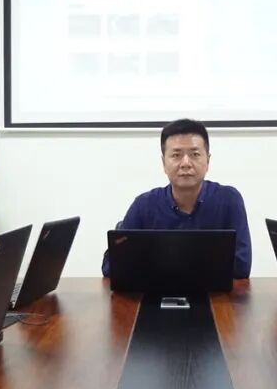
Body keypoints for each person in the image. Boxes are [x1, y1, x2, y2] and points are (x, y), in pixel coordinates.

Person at [101, 118, 251, 278]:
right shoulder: (144, 205)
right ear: (163, 163)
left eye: (195, 154)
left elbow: (241, 267)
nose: (186, 163)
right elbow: (110, 266)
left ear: (208, 161)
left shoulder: (229, 200)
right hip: (157, 291)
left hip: (214, 292)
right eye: (176, 155)